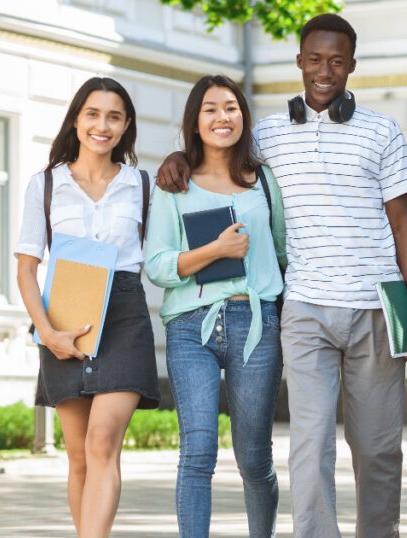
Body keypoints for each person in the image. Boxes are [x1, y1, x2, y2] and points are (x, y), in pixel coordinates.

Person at [155, 14, 407, 538]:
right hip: (304, 307)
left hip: (375, 304)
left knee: (377, 449)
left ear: (351, 65)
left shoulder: (383, 131)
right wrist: (178, 157)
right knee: (310, 445)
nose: (324, 70)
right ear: (299, 61)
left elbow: (405, 225)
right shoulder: (266, 137)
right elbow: (216, 154)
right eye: (314, 59)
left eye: (336, 61)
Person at [15, 77, 160, 538]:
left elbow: (159, 256)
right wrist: (47, 332)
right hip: (62, 319)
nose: (102, 125)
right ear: (77, 119)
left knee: (103, 443)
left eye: (113, 116)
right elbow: (25, 269)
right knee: (77, 455)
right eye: (93, 114)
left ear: (126, 126)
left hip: (124, 315)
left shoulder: (143, 185)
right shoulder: (45, 185)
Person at [144, 75, 285, 538]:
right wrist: (215, 252)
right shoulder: (175, 183)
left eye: (230, 107)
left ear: (243, 117)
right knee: (198, 450)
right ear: (195, 120)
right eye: (210, 109)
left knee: (255, 458)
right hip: (191, 327)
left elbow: (283, 252)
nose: (222, 117)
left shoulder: (264, 181)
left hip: (257, 324)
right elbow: (159, 266)